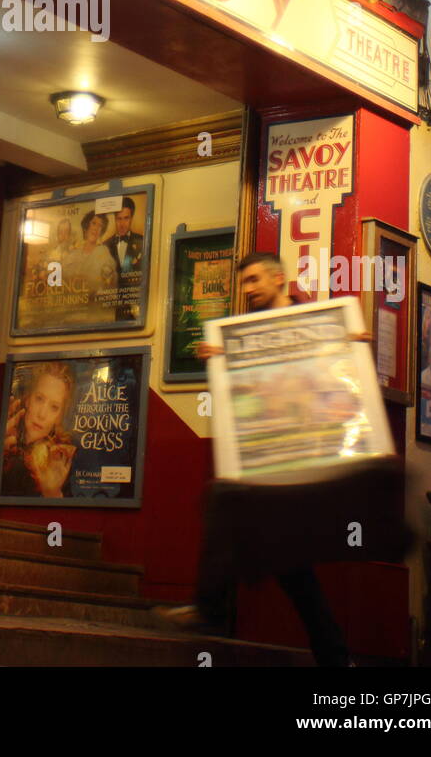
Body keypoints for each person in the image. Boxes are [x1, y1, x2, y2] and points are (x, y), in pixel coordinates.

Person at [154, 252, 372, 667]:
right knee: (291, 566)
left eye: (254, 280)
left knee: (226, 502)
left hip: (309, 460)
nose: (248, 289)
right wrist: (219, 360)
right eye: (244, 283)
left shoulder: (319, 321)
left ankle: (211, 609)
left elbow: (339, 382)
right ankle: (336, 658)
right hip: (271, 460)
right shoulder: (245, 332)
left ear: (279, 278)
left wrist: (353, 346)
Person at [1, 361, 77, 498]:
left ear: (59, 418)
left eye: (54, 407)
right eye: (39, 399)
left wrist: (52, 492)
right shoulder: (4, 436)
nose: (42, 414)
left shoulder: (60, 463)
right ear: (28, 399)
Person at [61, 211, 116, 304]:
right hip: (70, 307)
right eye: (94, 223)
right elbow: (61, 281)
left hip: (93, 309)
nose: (96, 229)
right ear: (86, 226)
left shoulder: (103, 252)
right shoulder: (73, 253)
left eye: (100, 226)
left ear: (101, 231)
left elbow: (109, 283)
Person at [104, 197, 144, 320]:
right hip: (110, 310)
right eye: (119, 219)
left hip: (135, 311)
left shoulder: (142, 242)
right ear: (114, 219)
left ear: (131, 218)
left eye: (126, 218)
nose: (122, 224)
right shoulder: (105, 246)